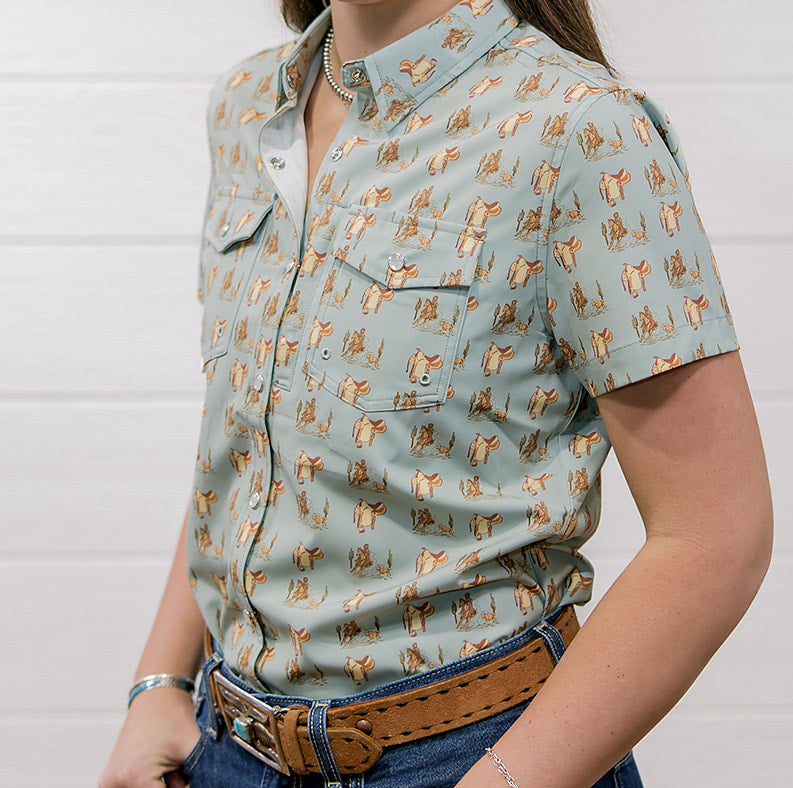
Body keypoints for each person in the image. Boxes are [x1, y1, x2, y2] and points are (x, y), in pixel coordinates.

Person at [100, 1, 773, 786]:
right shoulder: (247, 106)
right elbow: (254, 441)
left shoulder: (577, 130)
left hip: (471, 755)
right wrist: (158, 683)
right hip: (228, 750)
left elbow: (713, 537)